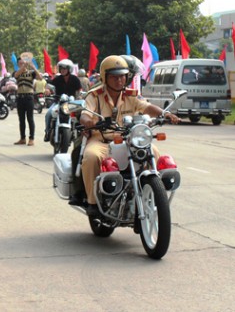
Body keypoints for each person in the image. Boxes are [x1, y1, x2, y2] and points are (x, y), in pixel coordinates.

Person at [72, 55, 181, 215]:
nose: (119, 80)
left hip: (128, 140)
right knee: (91, 157)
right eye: (114, 77)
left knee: (154, 152)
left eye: (122, 76)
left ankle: (156, 194)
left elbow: (147, 107)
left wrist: (165, 113)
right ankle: (93, 202)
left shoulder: (130, 95)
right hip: (101, 139)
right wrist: (88, 121)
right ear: (104, 77)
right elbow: (85, 113)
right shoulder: (94, 95)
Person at [43, 59, 82, 142]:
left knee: (81, 114)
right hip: (58, 102)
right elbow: (49, 87)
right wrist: (47, 90)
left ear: (69, 69)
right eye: (61, 68)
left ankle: (81, 133)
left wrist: (80, 96)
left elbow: (80, 90)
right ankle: (47, 132)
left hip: (71, 103)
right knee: (48, 114)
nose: (63, 70)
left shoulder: (75, 79)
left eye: (65, 68)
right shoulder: (57, 79)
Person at [13, 57, 42, 146]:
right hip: (20, 98)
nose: (23, 64)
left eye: (24, 63)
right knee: (21, 120)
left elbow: (40, 78)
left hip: (29, 97)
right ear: (18, 64)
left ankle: (31, 138)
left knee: (30, 119)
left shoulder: (31, 73)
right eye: (20, 63)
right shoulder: (16, 72)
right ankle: (22, 138)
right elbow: (16, 75)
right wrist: (24, 65)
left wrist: (34, 67)